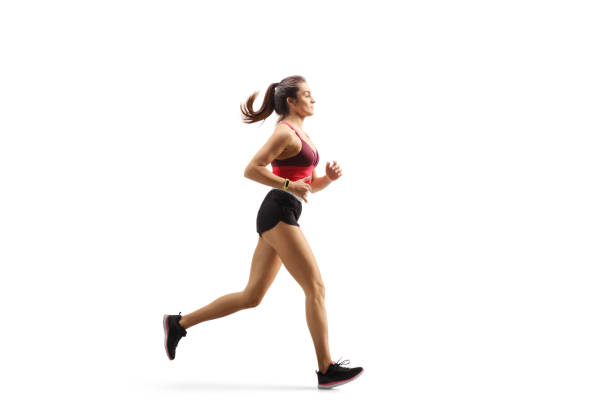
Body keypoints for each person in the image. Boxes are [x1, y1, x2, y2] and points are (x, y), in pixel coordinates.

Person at [163, 75, 364, 389]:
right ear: (291, 102)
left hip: (283, 210)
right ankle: (326, 368)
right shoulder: (284, 133)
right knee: (316, 287)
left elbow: (305, 186)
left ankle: (179, 323)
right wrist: (286, 184)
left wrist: (327, 180)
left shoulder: (302, 134)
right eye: (308, 95)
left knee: (251, 296)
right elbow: (252, 168)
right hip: (278, 212)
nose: (314, 100)